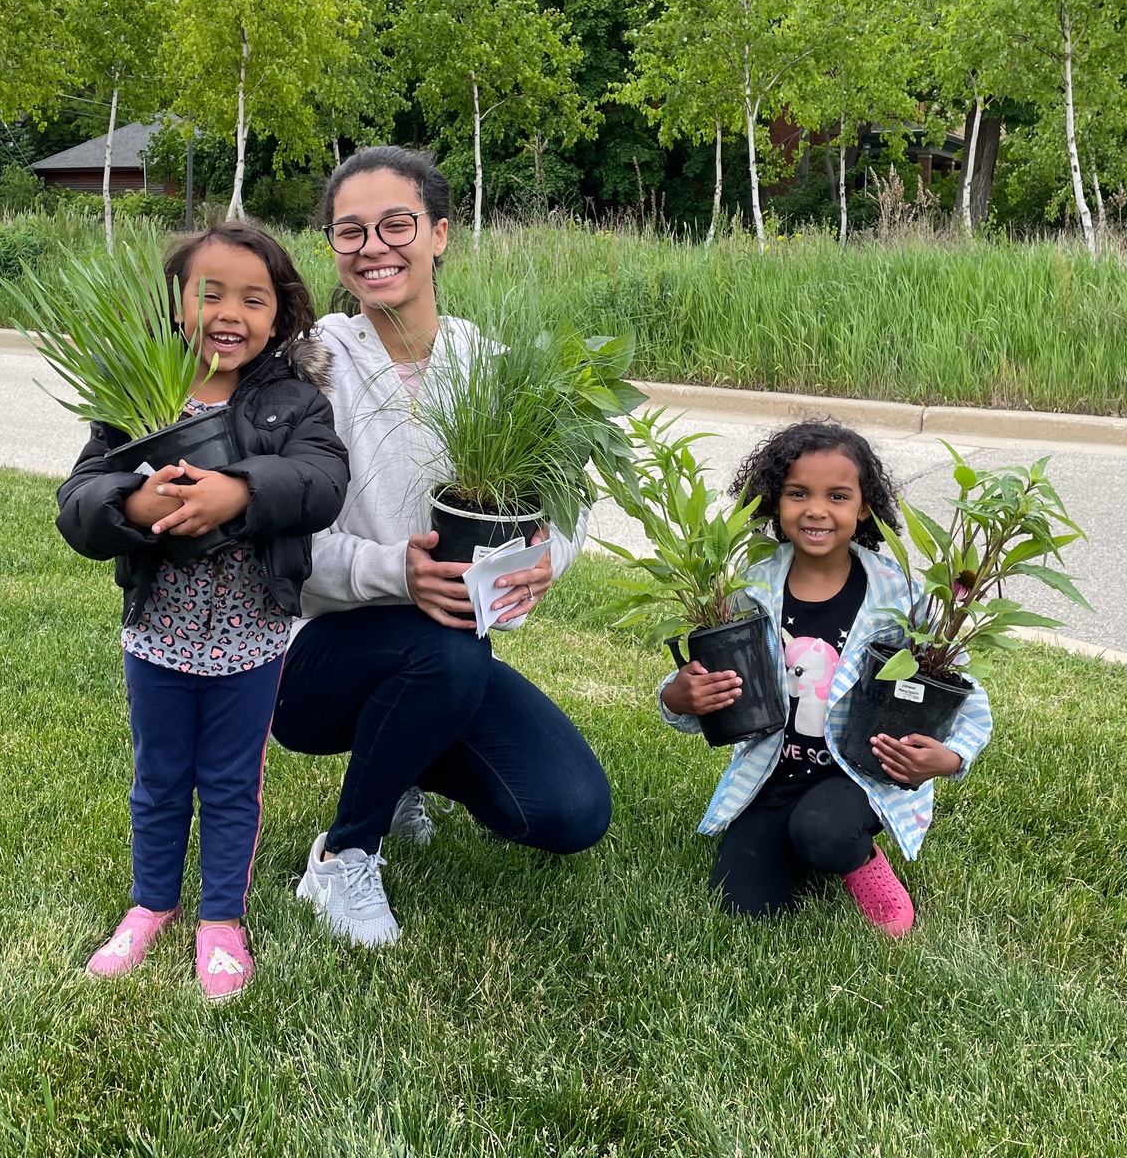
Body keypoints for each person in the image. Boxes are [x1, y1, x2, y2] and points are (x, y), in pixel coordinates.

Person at [271, 146, 612, 948]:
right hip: (311, 657)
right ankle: (344, 852)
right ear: (332, 246)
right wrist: (399, 571)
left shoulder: (490, 367)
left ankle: (401, 767)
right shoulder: (304, 371)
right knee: (448, 650)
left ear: (440, 234)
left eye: (397, 224)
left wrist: (546, 559)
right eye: (350, 230)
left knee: (568, 810)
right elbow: (275, 542)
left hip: (447, 646)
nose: (374, 246)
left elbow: (568, 503)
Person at [56, 222, 349, 997]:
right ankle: (150, 904)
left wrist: (243, 488)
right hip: (157, 633)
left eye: (254, 298)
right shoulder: (135, 396)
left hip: (251, 637)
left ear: (280, 316)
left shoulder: (293, 400)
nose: (230, 311)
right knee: (157, 777)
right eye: (210, 292)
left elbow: (323, 483)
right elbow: (77, 502)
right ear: (177, 303)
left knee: (228, 781)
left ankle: (222, 919)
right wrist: (131, 498)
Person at [658, 421, 992, 930]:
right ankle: (798, 837)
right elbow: (699, 683)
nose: (816, 510)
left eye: (838, 495)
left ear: (863, 507)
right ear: (773, 502)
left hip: (860, 774)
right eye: (798, 493)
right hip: (774, 773)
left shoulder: (899, 593)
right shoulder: (749, 589)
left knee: (825, 832)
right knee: (740, 905)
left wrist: (952, 758)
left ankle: (854, 856)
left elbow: (963, 690)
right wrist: (678, 698)